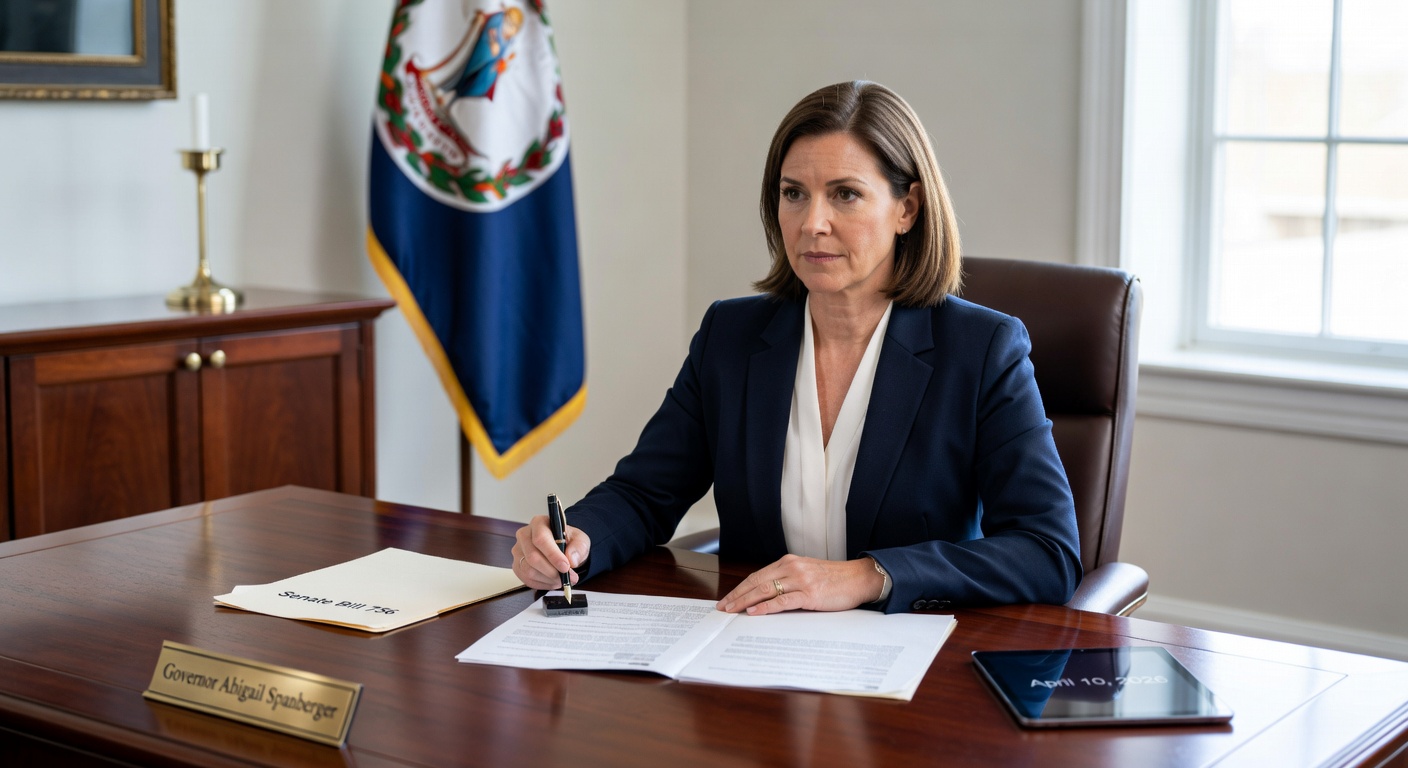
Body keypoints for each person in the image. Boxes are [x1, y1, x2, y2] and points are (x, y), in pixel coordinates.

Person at [512, 80, 1081, 615]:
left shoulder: (982, 351)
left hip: (914, 671)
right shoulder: (730, 338)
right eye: (794, 194)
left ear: (906, 209)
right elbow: (643, 493)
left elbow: (1046, 552)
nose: (813, 223)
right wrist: (577, 540)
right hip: (758, 660)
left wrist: (866, 576)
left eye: (846, 195)